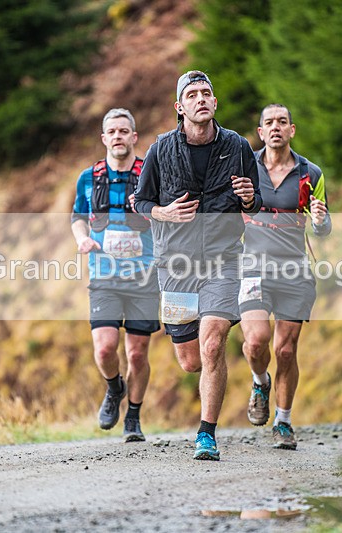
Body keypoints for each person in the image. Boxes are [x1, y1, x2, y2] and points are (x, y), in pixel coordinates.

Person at [134, 70, 261, 460]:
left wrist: (250, 195)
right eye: (192, 94)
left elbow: (253, 205)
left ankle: (206, 434)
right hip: (175, 266)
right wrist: (164, 213)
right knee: (191, 360)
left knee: (212, 342)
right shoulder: (159, 150)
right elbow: (139, 204)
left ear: (215, 103)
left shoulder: (238, 147)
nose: (201, 99)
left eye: (207, 93)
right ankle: (213, 370)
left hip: (223, 259)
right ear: (180, 106)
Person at [239, 104, 331, 450]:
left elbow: (323, 228)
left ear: (292, 129)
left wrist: (320, 220)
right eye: (268, 123)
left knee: (287, 350)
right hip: (252, 269)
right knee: (256, 341)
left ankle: (283, 422)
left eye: (282, 122)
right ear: (260, 132)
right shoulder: (246, 167)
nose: (275, 127)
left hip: (294, 270)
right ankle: (259, 381)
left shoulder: (311, 174)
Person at [71, 108, 160, 443]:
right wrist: (82, 238)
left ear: (134, 137)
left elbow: (165, 214)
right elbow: (78, 217)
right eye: (113, 131)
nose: (119, 136)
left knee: (137, 353)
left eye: (125, 131)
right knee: (106, 349)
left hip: (144, 277)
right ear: (104, 138)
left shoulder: (151, 173)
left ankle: (133, 418)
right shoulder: (88, 177)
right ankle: (114, 388)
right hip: (104, 274)